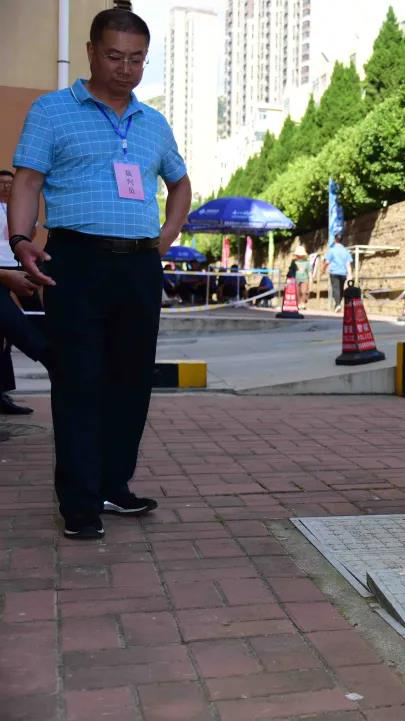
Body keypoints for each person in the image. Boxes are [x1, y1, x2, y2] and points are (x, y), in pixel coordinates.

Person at [7, 8, 192, 540]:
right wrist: (20, 240)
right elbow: (27, 181)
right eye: (114, 56)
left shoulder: (153, 122)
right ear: (91, 52)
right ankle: (80, 503)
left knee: (131, 380)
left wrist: (165, 237)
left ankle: (114, 485)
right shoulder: (52, 110)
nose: (125, 68)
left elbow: (179, 183)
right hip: (77, 261)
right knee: (79, 380)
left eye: (137, 59)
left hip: (139, 265)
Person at [0, 169, 35, 414]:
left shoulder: (21, 208)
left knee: (33, 324)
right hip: (2, 272)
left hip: (20, 269)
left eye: (9, 183)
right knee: (7, 328)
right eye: (1, 183)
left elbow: (31, 235)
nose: (5, 187)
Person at [323, 238, 351, 311]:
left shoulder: (332, 250)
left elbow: (327, 262)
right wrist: (350, 274)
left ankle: (338, 304)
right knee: (341, 289)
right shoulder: (345, 251)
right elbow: (348, 264)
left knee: (335, 288)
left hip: (334, 272)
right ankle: (338, 304)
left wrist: (323, 269)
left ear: (335, 241)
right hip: (343, 273)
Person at [293, 245, 310, 310]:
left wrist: (311, 279)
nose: (299, 256)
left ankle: (303, 303)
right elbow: (291, 270)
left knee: (304, 292)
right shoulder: (294, 262)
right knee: (297, 292)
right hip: (296, 279)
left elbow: (309, 271)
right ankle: (298, 303)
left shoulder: (307, 262)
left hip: (304, 278)